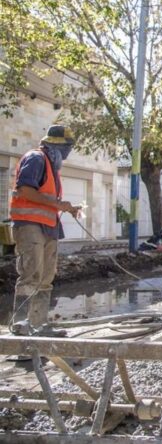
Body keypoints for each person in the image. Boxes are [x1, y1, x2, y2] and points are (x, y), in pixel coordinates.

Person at [9, 125, 82, 337]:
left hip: (48, 228)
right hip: (30, 225)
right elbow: (24, 189)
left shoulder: (52, 167)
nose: (68, 152)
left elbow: (48, 200)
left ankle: (39, 326)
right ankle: (22, 328)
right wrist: (59, 204)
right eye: (67, 147)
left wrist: (65, 207)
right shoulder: (36, 159)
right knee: (31, 275)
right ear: (54, 145)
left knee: (46, 278)